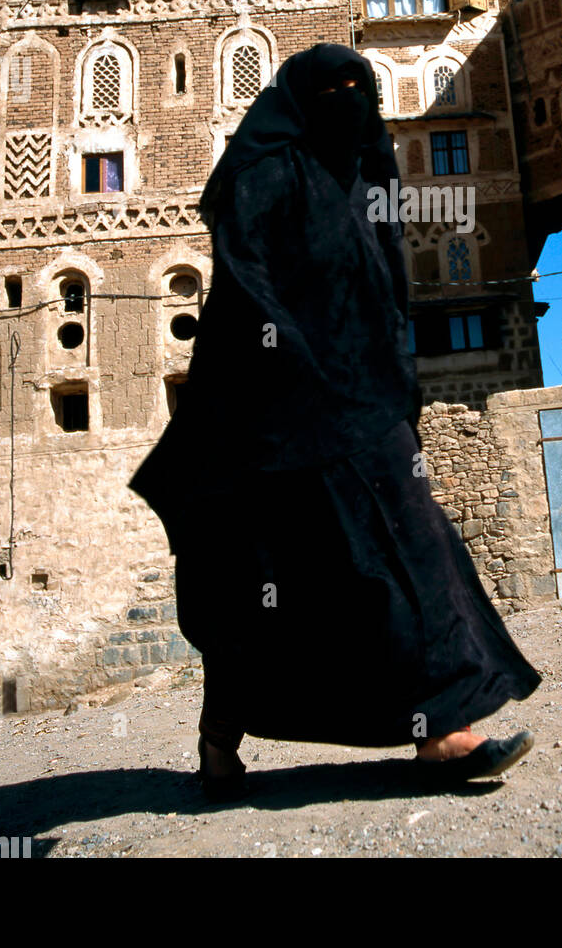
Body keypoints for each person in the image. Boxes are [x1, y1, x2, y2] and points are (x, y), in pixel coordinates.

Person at [128, 42, 540, 798]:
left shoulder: (368, 168)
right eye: (334, 89)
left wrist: (397, 388)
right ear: (296, 99)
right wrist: (295, 368)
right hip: (277, 416)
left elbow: (389, 291)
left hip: (369, 406)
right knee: (266, 586)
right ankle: (220, 742)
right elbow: (248, 287)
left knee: (416, 549)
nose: (351, 100)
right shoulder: (264, 172)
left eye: (362, 86)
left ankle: (442, 733)